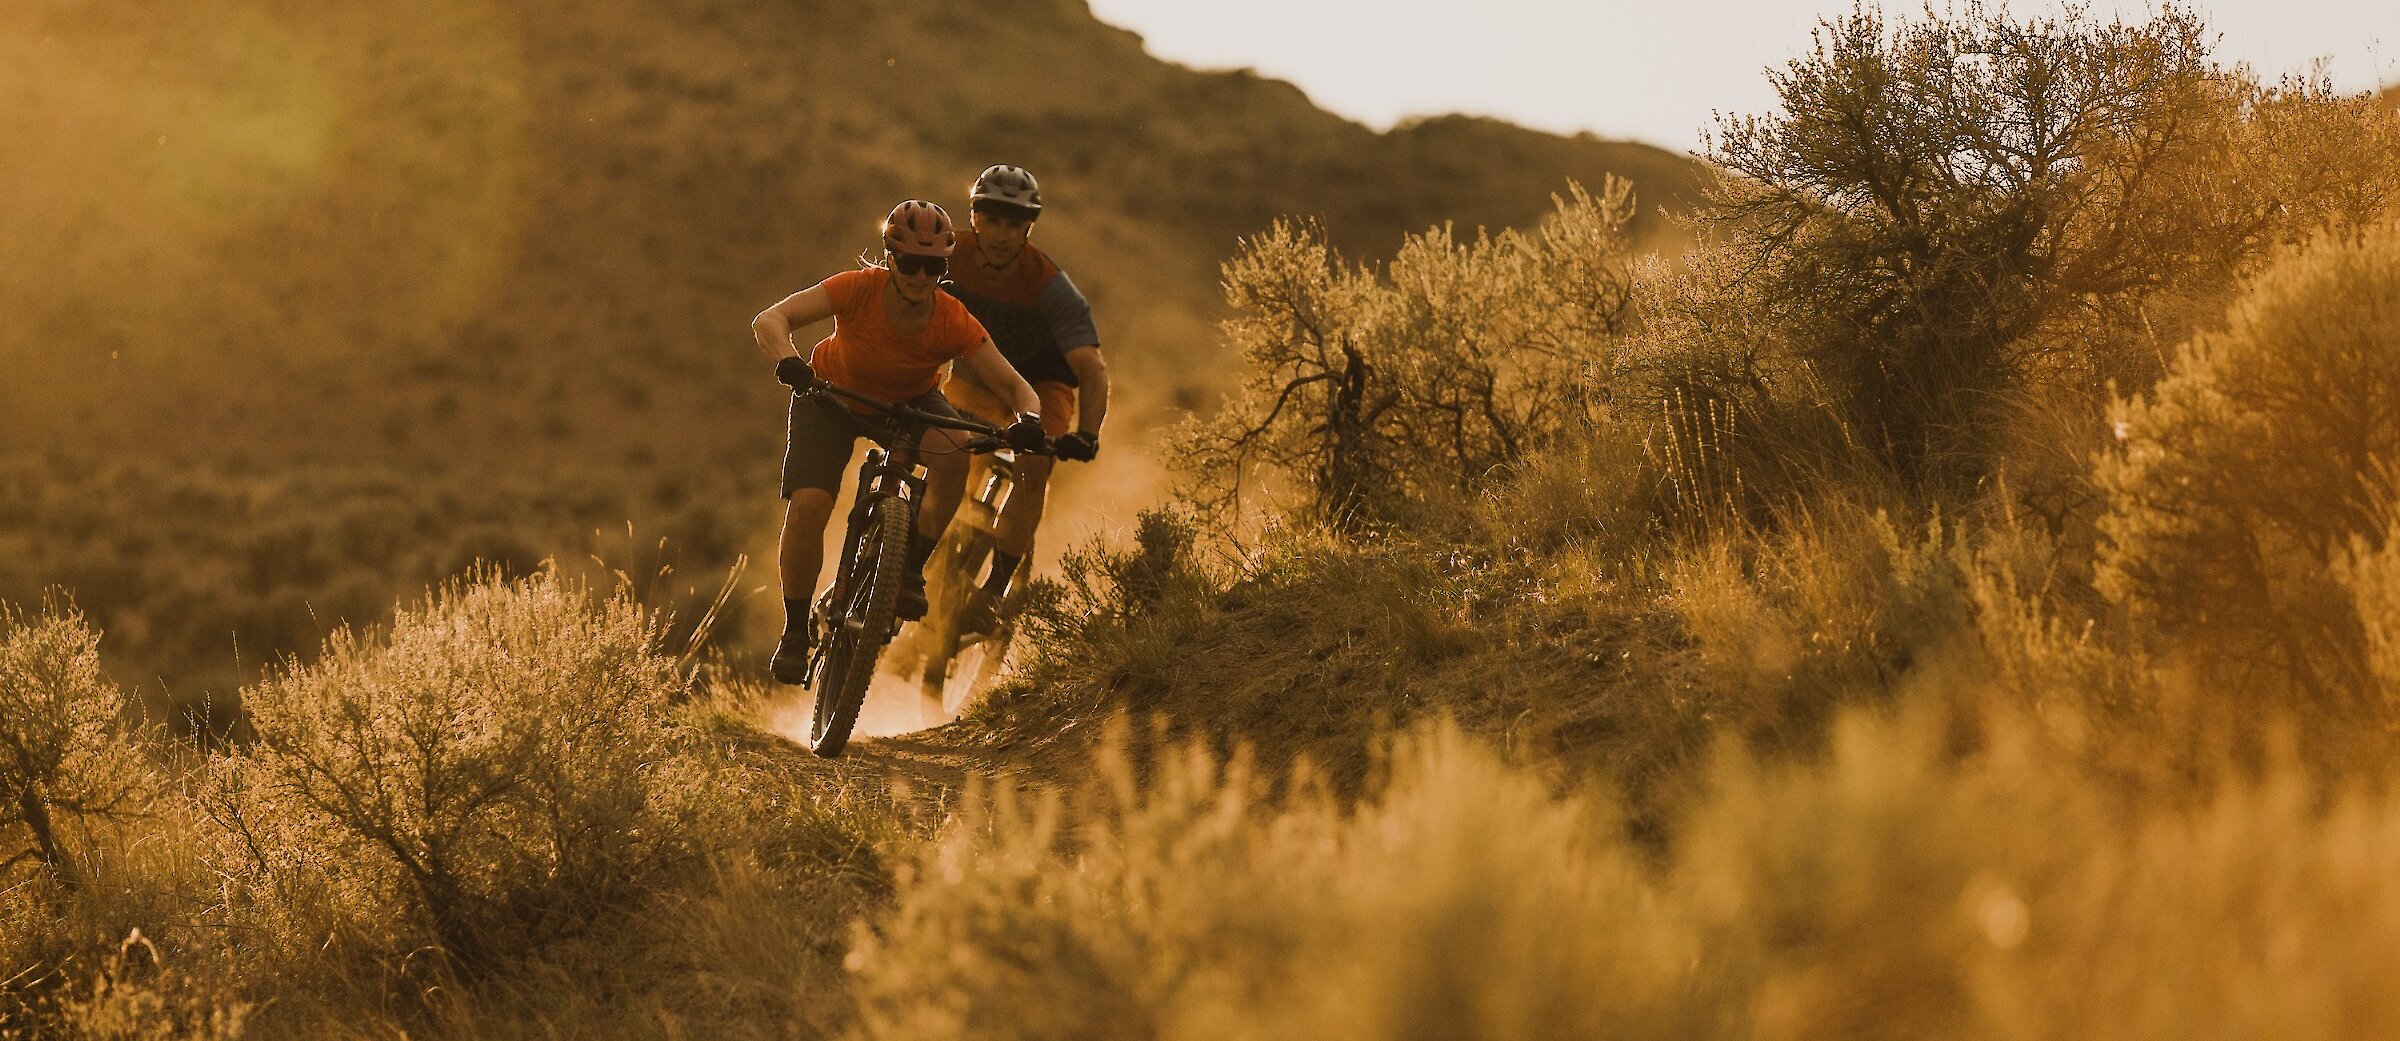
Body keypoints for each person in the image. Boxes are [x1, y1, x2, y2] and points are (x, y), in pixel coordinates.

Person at [751, 200, 1046, 684]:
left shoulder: (952, 318)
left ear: (942, 267)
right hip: (829, 396)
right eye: (909, 262)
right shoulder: (856, 289)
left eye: (932, 265)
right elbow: (770, 320)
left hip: (908, 403)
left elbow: (1017, 388)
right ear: (890, 258)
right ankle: (795, 632)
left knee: (954, 454)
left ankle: (908, 571)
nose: (919, 274)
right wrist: (790, 364)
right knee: (808, 506)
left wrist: (1030, 418)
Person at [938, 165, 1110, 622]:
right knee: (940, 445)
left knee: (1034, 465)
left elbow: (1091, 371)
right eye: (991, 220)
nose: (1000, 234)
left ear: (1028, 228)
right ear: (973, 218)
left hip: (1041, 381)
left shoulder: (1049, 285)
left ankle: (993, 592)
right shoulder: (946, 253)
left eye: (1013, 224)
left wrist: (1087, 434)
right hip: (976, 375)